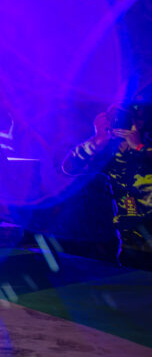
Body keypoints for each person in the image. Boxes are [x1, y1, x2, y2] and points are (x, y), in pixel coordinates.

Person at [60, 102, 152, 270]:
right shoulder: (107, 151)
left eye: (125, 117)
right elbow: (68, 168)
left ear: (139, 121)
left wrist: (139, 147)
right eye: (115, 117)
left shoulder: (147, 144)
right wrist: (97, 140)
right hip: (130, 244)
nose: (119, 121)